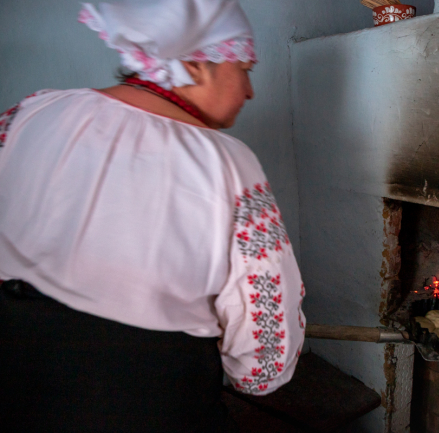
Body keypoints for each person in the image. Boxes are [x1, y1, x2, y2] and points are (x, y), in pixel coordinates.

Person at [0, 0, 306, 431]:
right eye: (245, 69)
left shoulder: (33, 111)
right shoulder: (227, 163)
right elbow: (265, 349)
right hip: (148, 401)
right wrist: (257, 373)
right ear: (197, 65)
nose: (250, 91)